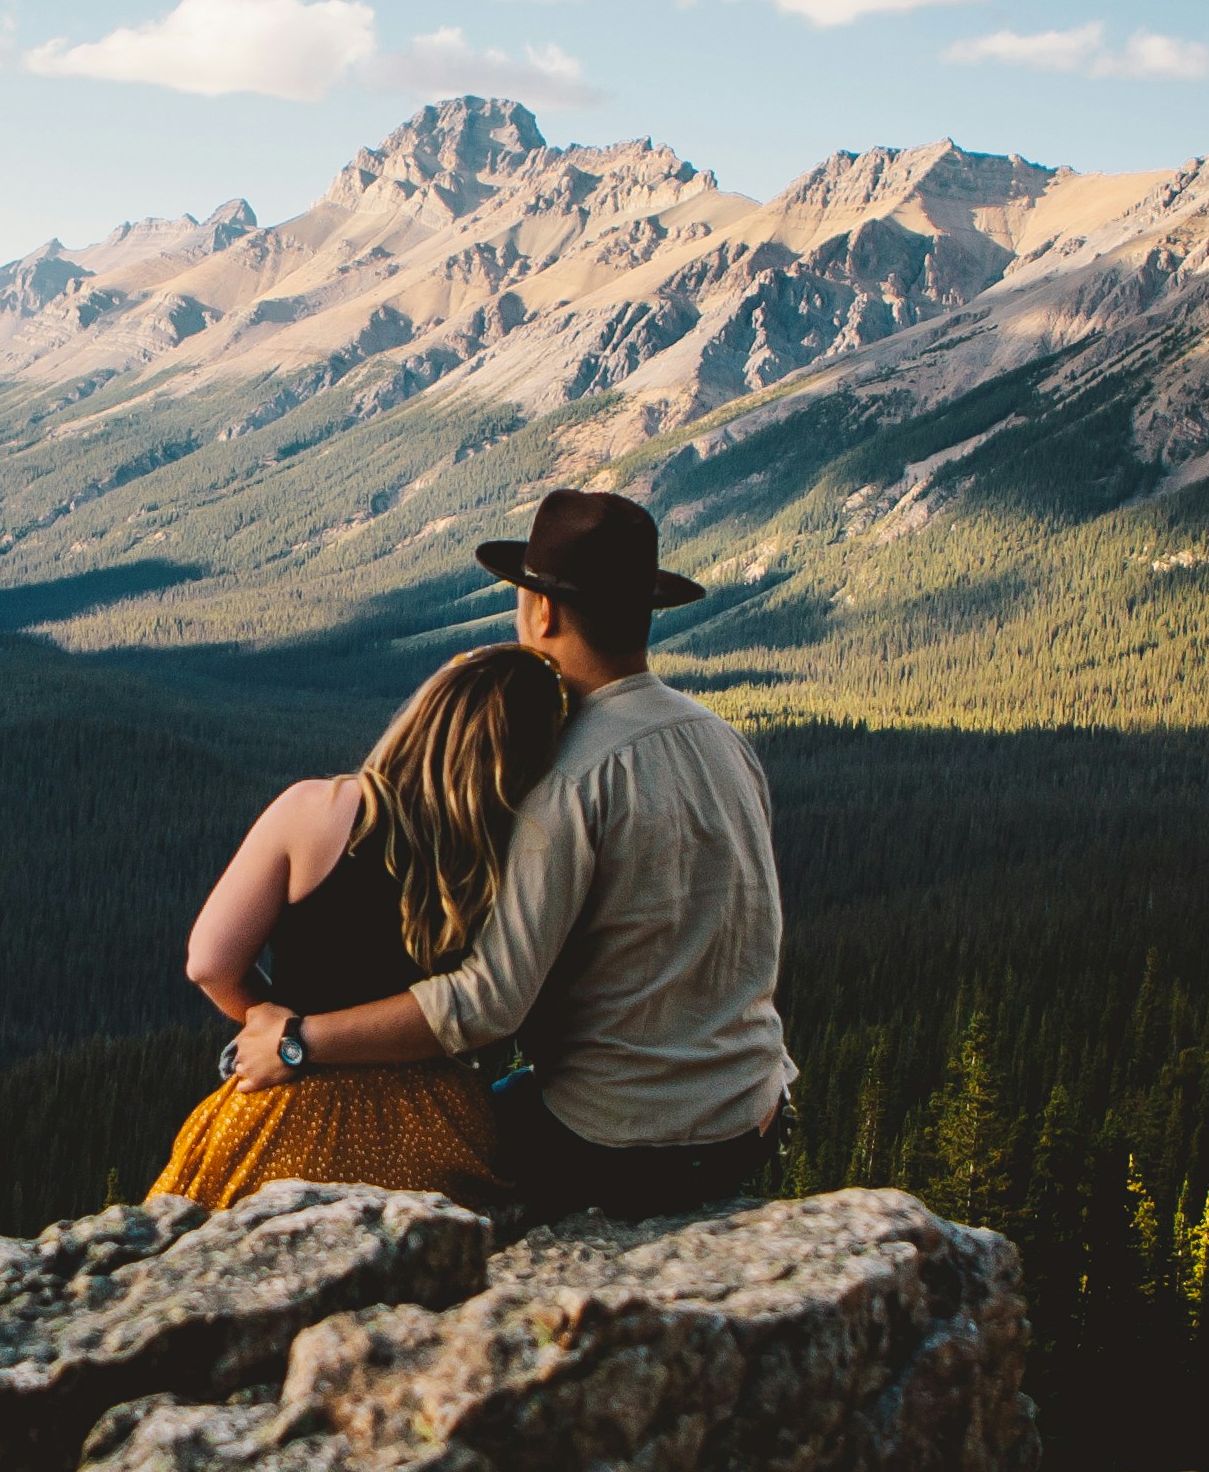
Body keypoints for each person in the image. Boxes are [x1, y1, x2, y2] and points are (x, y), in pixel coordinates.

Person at [226, 488, 797, 1220]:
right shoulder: (720, 739)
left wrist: (298, 1040)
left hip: (618, 1138)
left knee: (402, 1168)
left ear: (543, 612)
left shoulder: (559, 777)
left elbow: (487, 1004)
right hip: (750, 1112)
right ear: (643, 612)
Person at [150, 643, 570, 1211]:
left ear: (423, 713)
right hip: (436, 1121)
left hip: (292, 1105)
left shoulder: (312, 808)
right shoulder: (510, 850)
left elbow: (209, 961)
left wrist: (274, 1021)